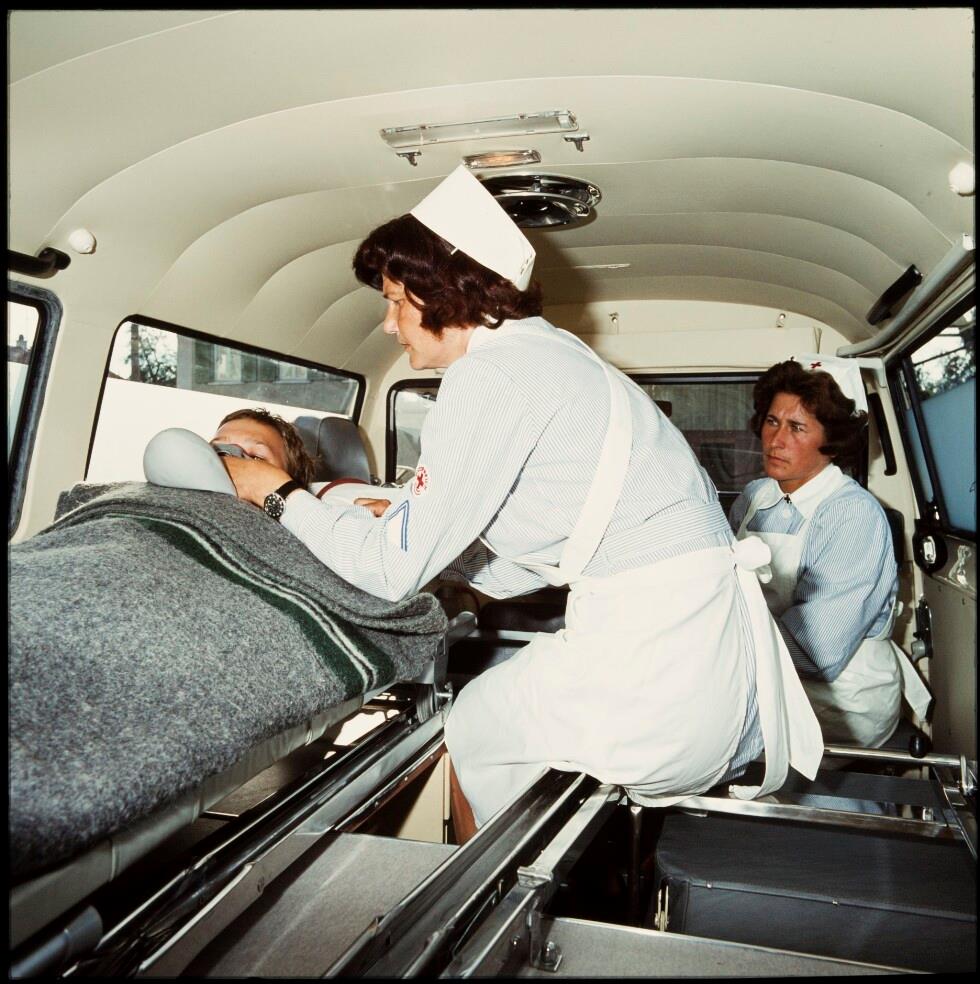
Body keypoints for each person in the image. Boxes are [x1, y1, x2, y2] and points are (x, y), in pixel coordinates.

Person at [222, 165, 824, 838]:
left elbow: (388, 575)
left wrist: (275, 492)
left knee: (473, 725)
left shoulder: (488, 376)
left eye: (395, 301)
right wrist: (430, 547)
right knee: (497, 716)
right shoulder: (553, 354)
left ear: (440, 291)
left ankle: (484, 887)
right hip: (710, 669)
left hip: (657, 670)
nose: (389, 325)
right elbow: (533, 562)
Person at [730, 358, 932, 748]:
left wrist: (721, 642)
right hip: (767, 673)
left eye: (797, 427)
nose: (776, 440)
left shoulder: (851, 515)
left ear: (832, 441)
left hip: (840, 701)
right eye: (772, 421)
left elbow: (815, 653)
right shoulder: (755, 497)